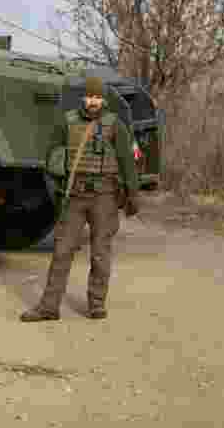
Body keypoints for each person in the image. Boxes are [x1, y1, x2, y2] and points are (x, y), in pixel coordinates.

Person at [21, 75, 140, 322]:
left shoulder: (115, 125)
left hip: (104, 197)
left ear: (103, 99)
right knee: (62, 252)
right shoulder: (67, 122)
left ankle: (96, 304)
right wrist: (57, 191)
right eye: (90, 96)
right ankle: (48, 307)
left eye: (97, 96)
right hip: (74, 196)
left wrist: (132, 195)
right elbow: (51, 159)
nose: (93, 101)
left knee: (100, 254)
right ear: (83, 97)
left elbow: (127, 164)